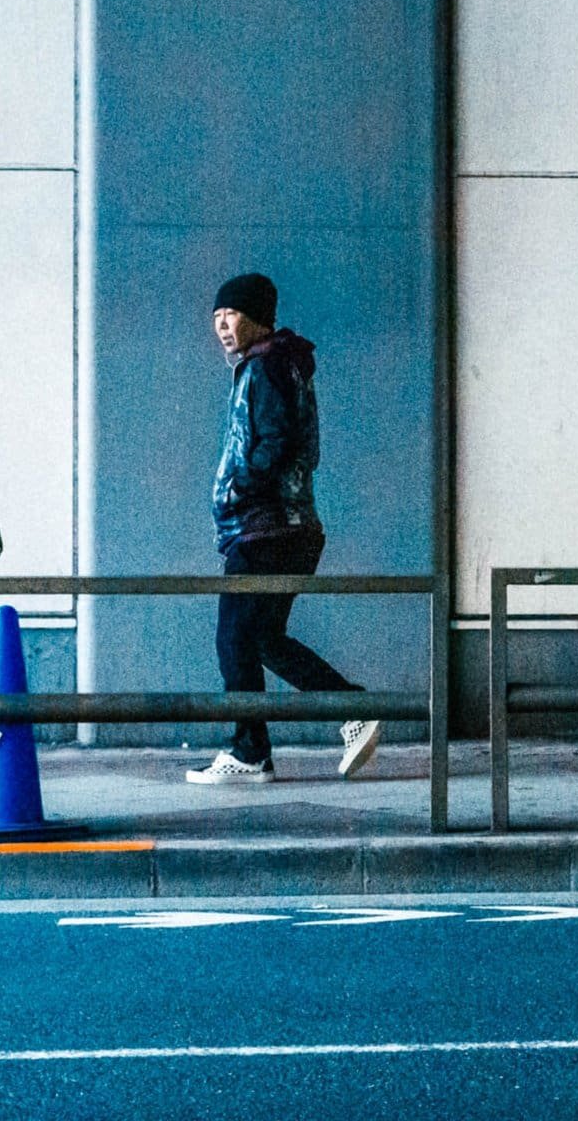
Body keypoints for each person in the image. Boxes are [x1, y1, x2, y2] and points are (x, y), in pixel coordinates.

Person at [185, 272, 380, 785]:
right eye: (217, 318)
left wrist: (238, 489)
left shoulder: (267, 366)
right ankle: (352, 709)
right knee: (263, 639)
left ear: (257, 318)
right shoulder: (276, 363)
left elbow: (274, 441)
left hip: (265, 529)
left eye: (231, 315)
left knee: (235, 640)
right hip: (286, 528)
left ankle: (250, 750)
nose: (223, 326)